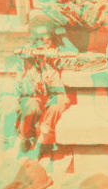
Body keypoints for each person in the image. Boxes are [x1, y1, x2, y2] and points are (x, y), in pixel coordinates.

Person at [9, 15, 75, 160]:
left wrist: (54, 56)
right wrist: (30, 63)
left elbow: (74, 53)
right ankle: (25, 138)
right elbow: (23, 88)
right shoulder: (25, 54)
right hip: (34, 93)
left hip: (55, 92)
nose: (40, 44)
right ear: (31, 39)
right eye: (35, 40)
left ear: (51, 38)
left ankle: (40, 144)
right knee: (31, 106)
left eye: (45, 40)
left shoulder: (57, 49)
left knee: (57, 105)